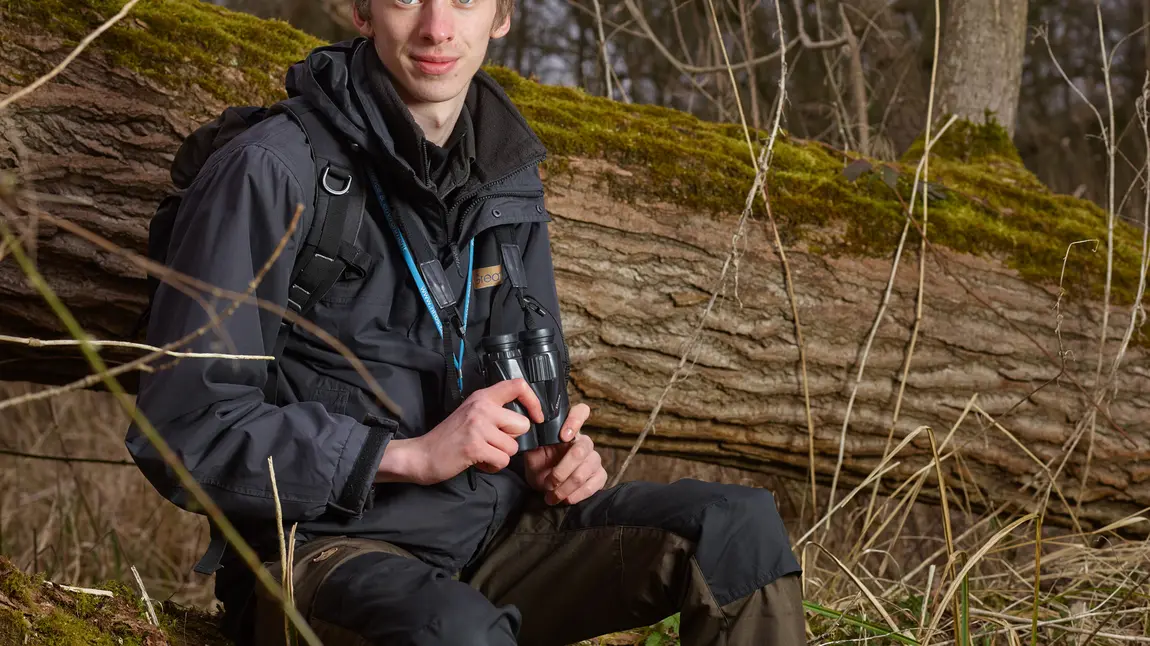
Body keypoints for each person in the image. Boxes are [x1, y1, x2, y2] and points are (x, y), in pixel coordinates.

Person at [125, 0, 806, 644]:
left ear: (505, 16)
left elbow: (526, 376)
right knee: (455, 633)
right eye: (405, 0)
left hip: (495, 534)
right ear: (361, 10)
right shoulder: (272, 169)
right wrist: (404, 457)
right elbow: (187, 426)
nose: (437, 28)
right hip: (319, 555)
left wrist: (553, 457)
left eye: (467, 2)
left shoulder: (506, 177)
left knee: (737, 531)